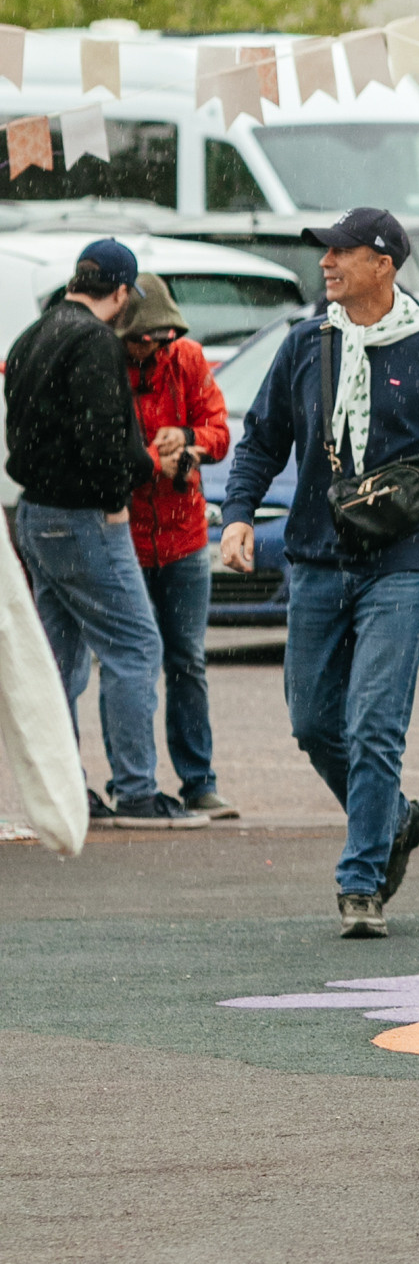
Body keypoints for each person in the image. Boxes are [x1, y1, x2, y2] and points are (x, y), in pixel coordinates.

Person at [218, 208, 419, 938]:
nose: (327, 261)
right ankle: (394, 817)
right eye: (326, 251)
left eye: (342, 250)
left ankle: (361, 880)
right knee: (313, 722)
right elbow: (260, 439)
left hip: (401, 566)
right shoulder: (306, 346)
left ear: (385, 263)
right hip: (316, 559)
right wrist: (240, 513)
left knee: (374, 723)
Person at [6, 236, 196, 824]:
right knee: (136, 648)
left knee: (60, 659)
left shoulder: (32, 334)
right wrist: (129, 484)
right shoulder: (93, 342)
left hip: (34, 513)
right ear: (118, 292)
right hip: (85, 517)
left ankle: (66, 789)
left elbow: (24, 433)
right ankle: (137, 790)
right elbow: (103, 438)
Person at [121, 276, 234, 816]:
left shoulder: (186, 358)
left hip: (184, 536)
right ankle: (134, 783)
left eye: (161, 338)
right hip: (127, 537)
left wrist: (187, 439)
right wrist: (150, 452)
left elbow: (219, 430)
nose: (154, 347)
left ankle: (198, 781)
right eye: (144, 338)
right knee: (132, 663)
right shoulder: (104, 362)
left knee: (187, 661)